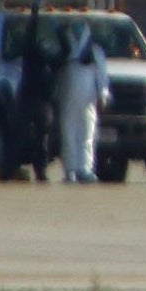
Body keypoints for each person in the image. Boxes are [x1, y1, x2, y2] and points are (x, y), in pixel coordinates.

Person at [57, 27, 110, 184]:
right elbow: (57, 73)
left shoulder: (95, 51)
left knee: (87, 134)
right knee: (68, 133)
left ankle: (85, 168)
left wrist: (103, 94)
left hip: (88, 100)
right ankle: (70, 169)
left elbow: (102, 75)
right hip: (67, 98)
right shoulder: (64, 49)